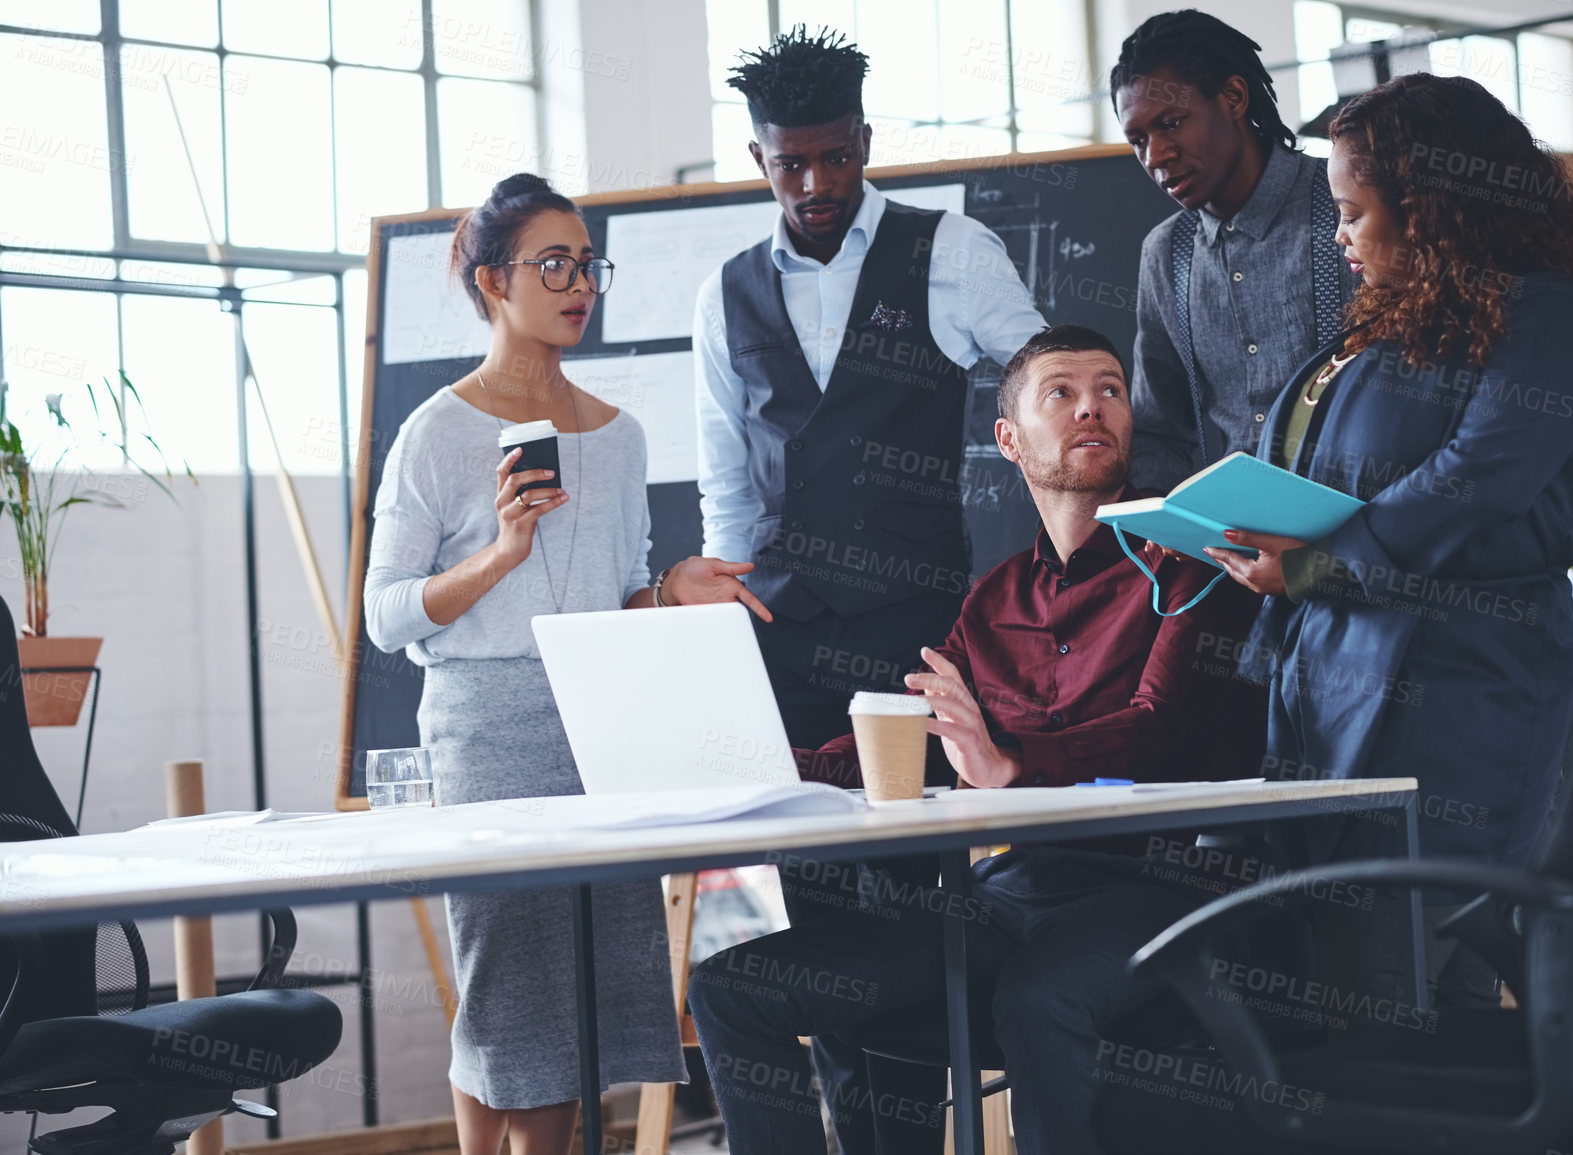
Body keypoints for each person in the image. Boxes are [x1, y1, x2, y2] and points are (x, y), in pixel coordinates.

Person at [687, 324, 1268, 1155]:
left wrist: (1011, 765)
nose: (1091, 407)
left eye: (1108, 389)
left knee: (1038, 995)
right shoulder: (992, 597)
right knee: (735, 987)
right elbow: (912, 738)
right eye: (1060, 393)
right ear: (1008, 439)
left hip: (1168, 890)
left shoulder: (1190, 562)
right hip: (1012, 895)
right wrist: (747, 761)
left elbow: (1156, 730)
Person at [1200, 74, 1573, 1007]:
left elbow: (1469, 483)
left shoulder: (1550, 315)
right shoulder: (1394, 326)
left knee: (1401, 991)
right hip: (1327, 689)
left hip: (1457, 695)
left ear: (1433, 208)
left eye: (1353, 213)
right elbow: (1335, 476)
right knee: (1344, 1001)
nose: (1339, 237)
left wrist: (1314, 562)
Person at [363, 173, 771, 1155]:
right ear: (493, 281)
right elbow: (384, 616)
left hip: (602, 729)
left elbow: (619, 591)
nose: (580, 283)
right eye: (554, 263)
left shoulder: (620, 439)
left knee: (582, 997)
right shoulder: (437, 433)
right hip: (488, 733)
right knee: (512, 990)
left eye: (589, 264)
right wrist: (502, 552)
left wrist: (669, 591)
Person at [693, 27, 1045, 1151]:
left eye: (835, 158)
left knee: (904, 916)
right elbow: (725, 484)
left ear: (866, 144)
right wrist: (729, 631)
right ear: (759, 161)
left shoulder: (951, 252)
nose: (814, 184)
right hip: (785, 649)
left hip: (915, 640)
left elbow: (1049, 388)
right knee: (806, 922)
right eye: (789, 164)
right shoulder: (727, 292)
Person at [1111, 10, 1359, 495]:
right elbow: (1159, 429)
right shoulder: (1166, 254)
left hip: (1359, 527)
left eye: (1172, 123)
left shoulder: (1347, 204)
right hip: (1225, 543)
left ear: (1233, 98)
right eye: (1138, 140)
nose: (1156, 156)